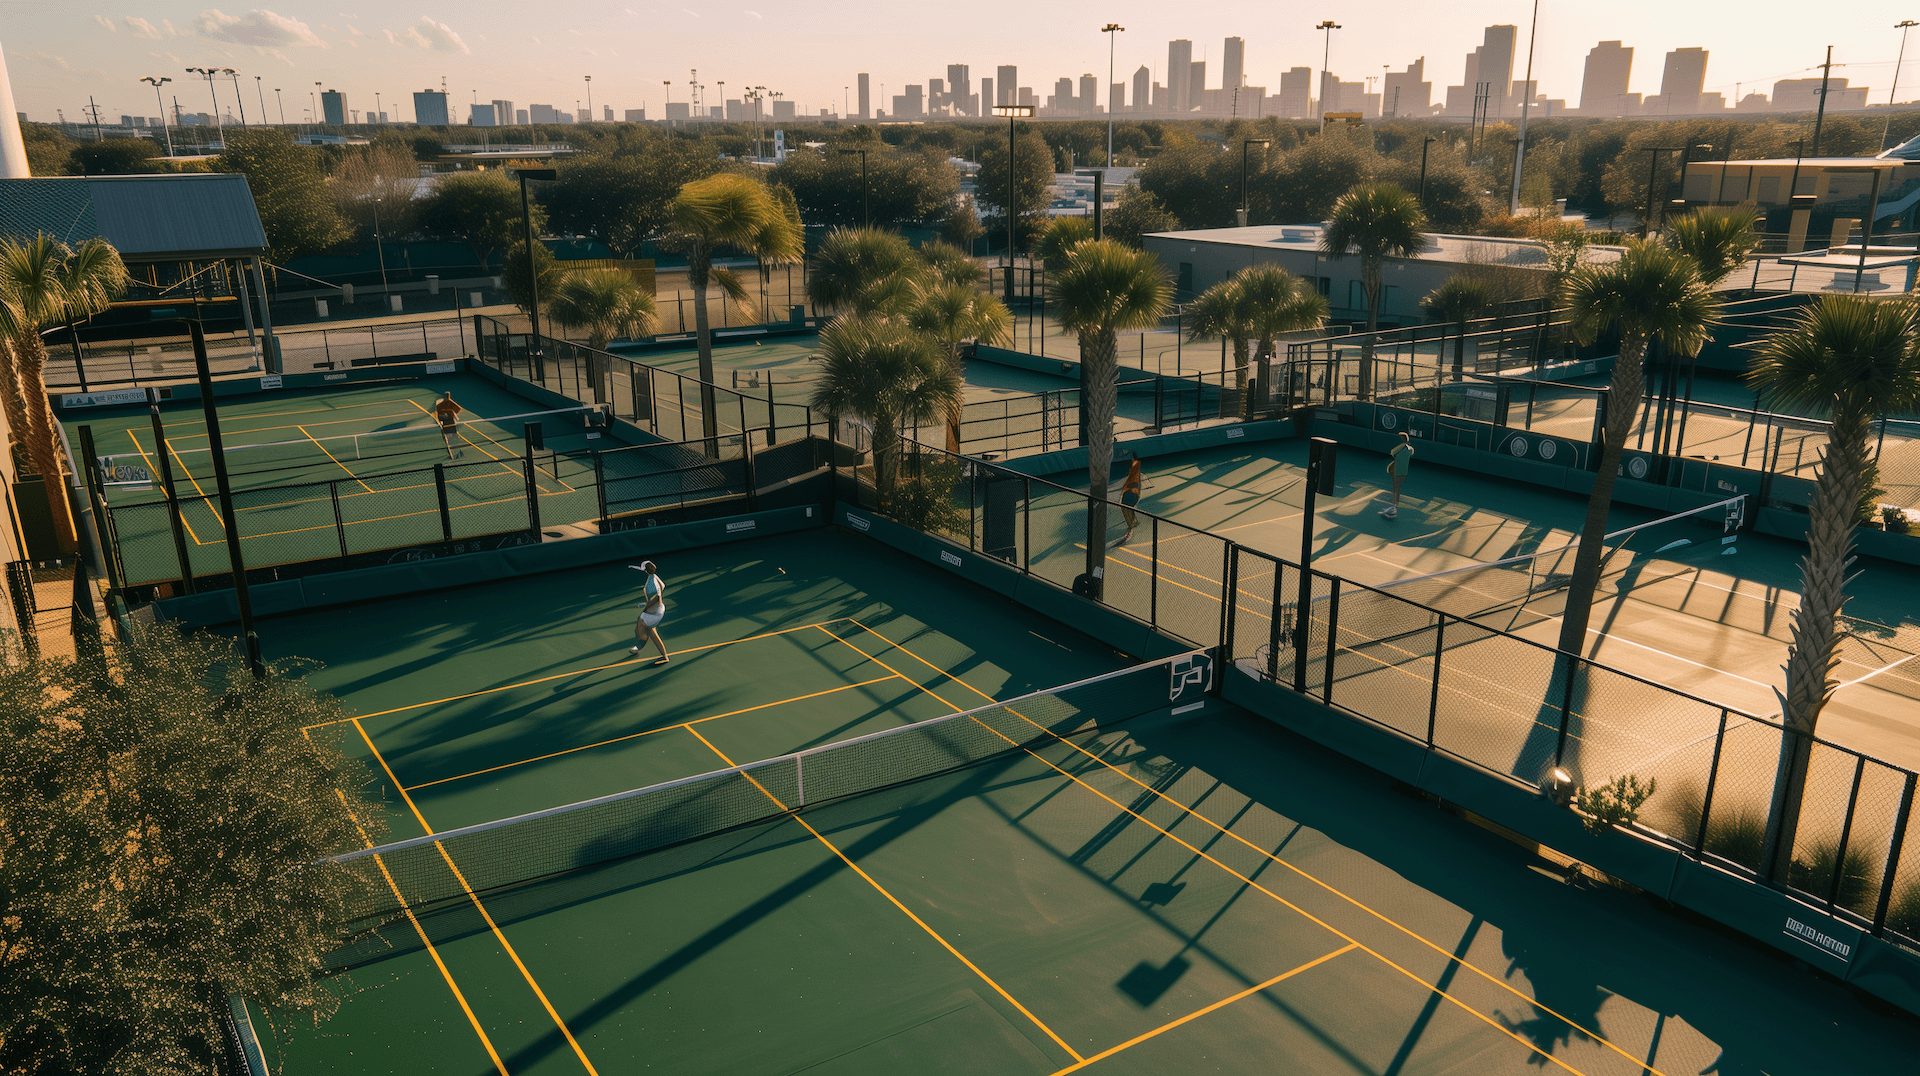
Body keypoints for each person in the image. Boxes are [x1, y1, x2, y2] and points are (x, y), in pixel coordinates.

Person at [630, 561, 670, 665]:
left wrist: (647, 607)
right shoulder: (654, 577)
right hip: (658, 608)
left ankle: (663, 656)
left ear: (645, 571)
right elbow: (662, 586)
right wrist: (648, 602)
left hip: (654, 612)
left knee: (646, 628)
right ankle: (638, 647)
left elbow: (656, 597)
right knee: (646, 628)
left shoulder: (650, 583)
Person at [1382, 432, 1414, 519]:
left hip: (1397, 471)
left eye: (1401, 438)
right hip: (1404, 472)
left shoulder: (1401, 447)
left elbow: (1392, 452)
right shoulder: (1410, 449)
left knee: (1396, 489)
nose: (1400, 439)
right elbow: (1411, 452)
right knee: (1396, 489)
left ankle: (1394, 510)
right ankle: (1393, 508)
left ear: (1403, 439)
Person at [432, 391, 463, 459]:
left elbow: (438, 415)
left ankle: (450, 452)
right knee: (453, 438)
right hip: (450, 423)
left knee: (447, 439)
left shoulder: (440, 405)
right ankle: (456, 451)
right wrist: (451, 414)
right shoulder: (450, 403)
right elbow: (458, 409)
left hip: (445, 424)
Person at [1119, 458, 1144, 541]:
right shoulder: (1136, 466)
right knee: (1128, 508)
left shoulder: (1131, 469)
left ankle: (1130, 527)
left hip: (1131, 492)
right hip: (1133, 491)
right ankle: (1134, 521)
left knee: (1125, 508)